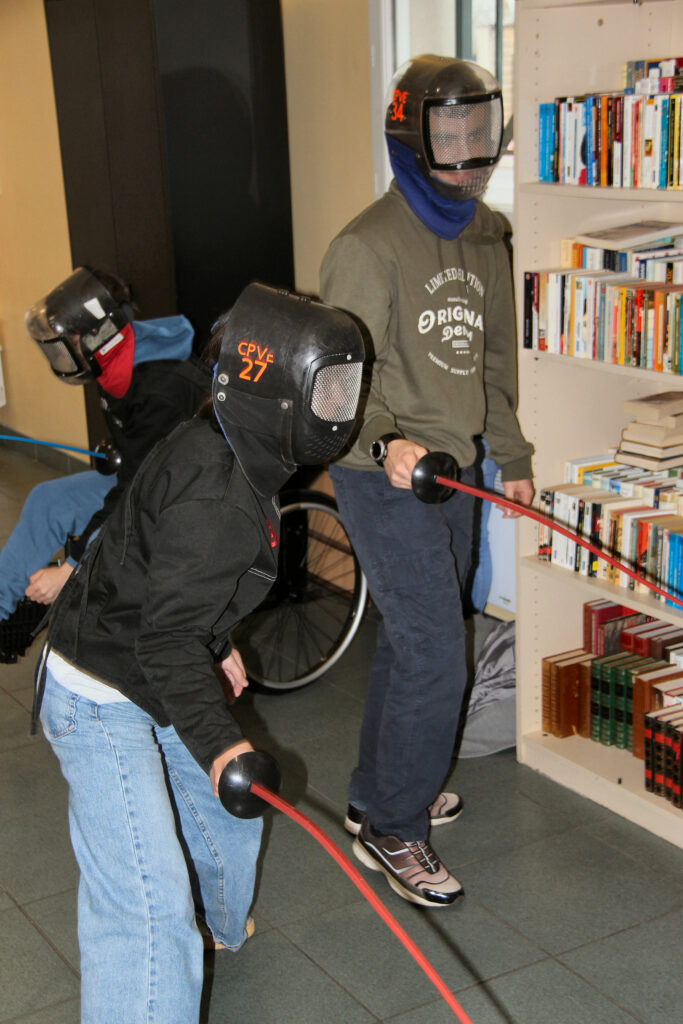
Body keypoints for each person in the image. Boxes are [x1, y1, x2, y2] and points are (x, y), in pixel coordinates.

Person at [34, 282, 365, 1024]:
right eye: (327, 390)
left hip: (161, 659)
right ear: (275, 393)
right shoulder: (215, 488)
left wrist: (216, 641)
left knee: (230, 824)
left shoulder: (223, 440)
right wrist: (219, 743)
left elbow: (170, 575)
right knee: (148, 915)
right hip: (98, 692)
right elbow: (165, 637)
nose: (337, 408)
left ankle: (216, 931)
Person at [319, 55, 534, 908]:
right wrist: (387, 445)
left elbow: (493, 361)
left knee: (416, 641)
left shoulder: (484, 234)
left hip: (459, 471)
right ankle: (395, 828)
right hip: (382, 477)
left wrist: (512, 458)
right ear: (411, 137)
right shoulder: (365, 246)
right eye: (449, 134)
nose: (467, 152)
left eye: (479, 131)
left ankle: (376, 793)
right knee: (439, 652)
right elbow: (339, 383)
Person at [0, 266, 210, 662]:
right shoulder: (119, 363)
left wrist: (71, 569)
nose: (62, 354)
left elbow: (136, 494)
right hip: (146, 479)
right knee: (47, 499)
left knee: (99, 528)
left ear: (101, 334)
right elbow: (137, 465)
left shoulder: (159, 388)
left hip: (182, 497)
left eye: (68, 344)